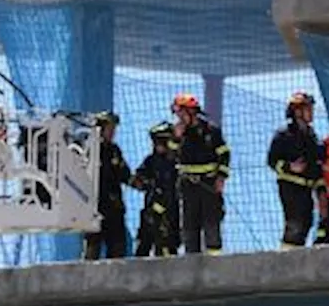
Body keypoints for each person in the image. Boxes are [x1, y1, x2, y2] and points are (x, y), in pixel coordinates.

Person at [167, 93, 230, 255]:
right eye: (177, 114)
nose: (179, 117)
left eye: (182, 113)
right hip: (188, 186)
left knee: (212, 226)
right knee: (189, 227)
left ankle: (215, 264)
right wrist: (176, 138)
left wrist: (221, 177)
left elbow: (224, 154)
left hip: (208, 185)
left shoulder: (211, 130)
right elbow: (170, 156)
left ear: (191, 112)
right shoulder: (176, 133)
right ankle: (191, 265)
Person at [266, 91, 323, 249]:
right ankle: (285, 260)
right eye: (308, 108)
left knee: (306, 222)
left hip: (307, 187)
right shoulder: (284, 134)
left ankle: (295, 256)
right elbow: (272, 161)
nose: (311, 112)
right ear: (297, 111)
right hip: (290, 186)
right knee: (294, 224)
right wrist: (290, 167)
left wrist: (320, 188)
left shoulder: (311, 135)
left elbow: (315, 162)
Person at [83, 111, 133, 260]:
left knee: (117, 248)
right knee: (92, 249)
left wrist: (139, 182)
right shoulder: (88, 150)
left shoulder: (114, 150)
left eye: (114, 129)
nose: (112, 133)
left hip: (114, 207)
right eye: (110, 129)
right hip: (94, 207)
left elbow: (124, 174)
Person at [132, 122, 181, 257]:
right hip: (150, 212)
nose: (157, 145)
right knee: (143, 247)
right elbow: (138, 178)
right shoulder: (151, 161)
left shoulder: (176, 163)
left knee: (167, 249)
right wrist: (143, 182)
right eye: (155, 141)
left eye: (161, 141)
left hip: (169, 214)